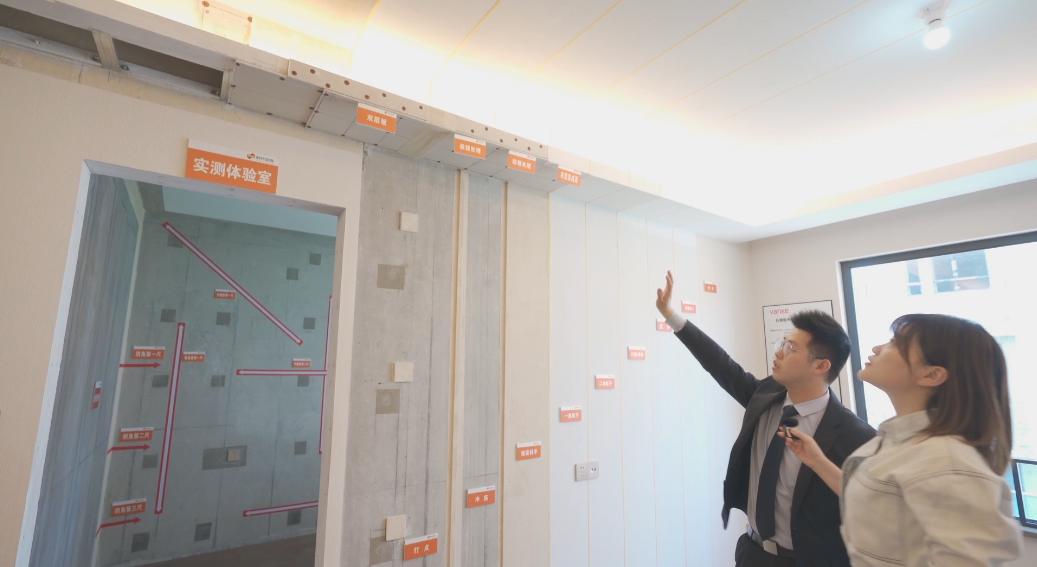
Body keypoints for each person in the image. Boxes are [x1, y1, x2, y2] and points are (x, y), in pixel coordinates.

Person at [656, 271, 875, 567]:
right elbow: (721, 365)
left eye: (791, 348)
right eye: (782, 343)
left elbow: (871, 511)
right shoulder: (765, 396)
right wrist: (671, 316)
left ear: (821, 366)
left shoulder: (855, 435)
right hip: (752, 552)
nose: (779, 353)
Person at [781, 314, 1022, 566]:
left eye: (895, 343)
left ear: (931, 374)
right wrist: (817, 460)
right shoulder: (901, 441)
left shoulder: (948, 461)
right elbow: (880, 500)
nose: (878, 348)